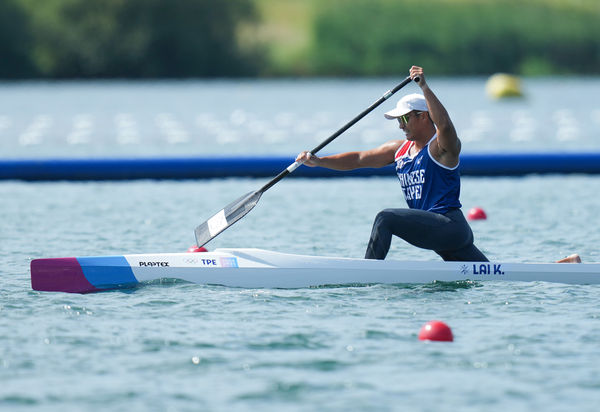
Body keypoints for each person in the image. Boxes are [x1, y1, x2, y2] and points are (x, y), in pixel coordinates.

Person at [296, 65, 489, 262]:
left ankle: (367, 272)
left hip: (449, 227)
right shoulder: (399, 150)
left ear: (422, 116)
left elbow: (445, 125)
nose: (400, 125)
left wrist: (424, 87)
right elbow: (358, 159)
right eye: (398, 120)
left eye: (404, 118)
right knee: (491, 275)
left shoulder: (441, 148)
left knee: (385, 218)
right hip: (437, 231)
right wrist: (319, 161)